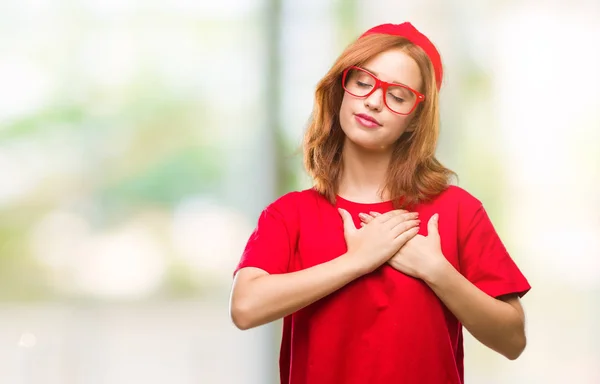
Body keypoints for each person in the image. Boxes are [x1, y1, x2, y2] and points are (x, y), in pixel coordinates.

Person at [229, 22, 531, 384]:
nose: (374, 100)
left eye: (398, 95)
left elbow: (512, 340)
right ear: (341, 89)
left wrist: (437, 272)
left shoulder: (457, 211)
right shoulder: (290, 214)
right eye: (362, 82)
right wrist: (356, 261)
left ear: (414, 122)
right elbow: (245, 308)